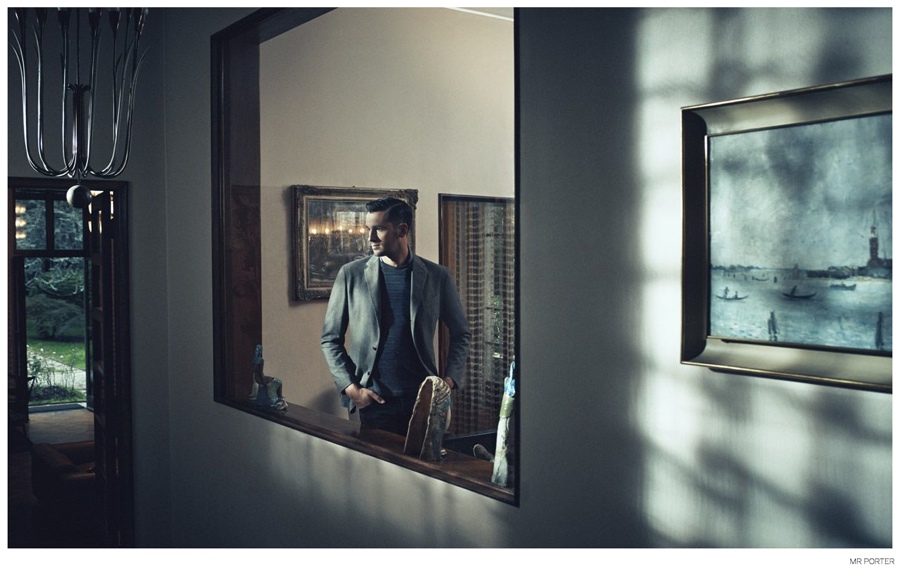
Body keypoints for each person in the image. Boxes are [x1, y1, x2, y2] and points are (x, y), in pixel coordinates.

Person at [321, 197, 471, 435]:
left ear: (402, 230)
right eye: (368, 229)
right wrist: (351, 388)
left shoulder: (437, 276)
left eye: (379, 229)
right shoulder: (351, 274)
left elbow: (461, 333)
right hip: (374, 402)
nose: (370, 238)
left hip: (424, 402)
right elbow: (330, 339)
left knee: (425, 461)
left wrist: (450, 380)